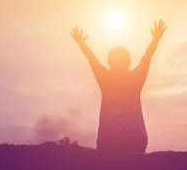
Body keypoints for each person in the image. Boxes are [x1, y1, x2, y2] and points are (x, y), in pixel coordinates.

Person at [71, 20, 167, 154]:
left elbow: (92, 59)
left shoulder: (105, 78)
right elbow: (147, 57)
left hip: (109, 140)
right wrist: (156, 39)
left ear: (110, 61)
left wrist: (82, 43)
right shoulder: (135, 79)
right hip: (134, 140)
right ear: (128, 62)